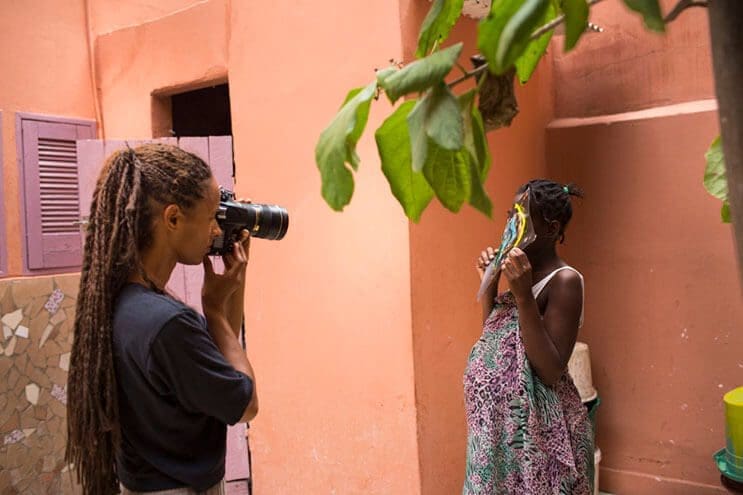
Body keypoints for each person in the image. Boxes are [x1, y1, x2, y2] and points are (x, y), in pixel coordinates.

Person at [65, 143, 258, 495]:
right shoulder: (168, 325)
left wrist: (231, 290)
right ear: (172, 219)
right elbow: (245, 404)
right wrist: (213, 309)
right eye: (212, 215)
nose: (217, 230)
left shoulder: (124, 304)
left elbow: (221, 367)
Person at [463, 179, 593, 494]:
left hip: (538, 440)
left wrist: (523, 296)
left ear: (549, 229)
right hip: (503, 435)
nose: (511, 224)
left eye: (521, 216)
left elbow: (549, 370)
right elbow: (499, 346)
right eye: (511, 215)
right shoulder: (521, 275)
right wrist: (491, 286)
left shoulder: (564, 281)